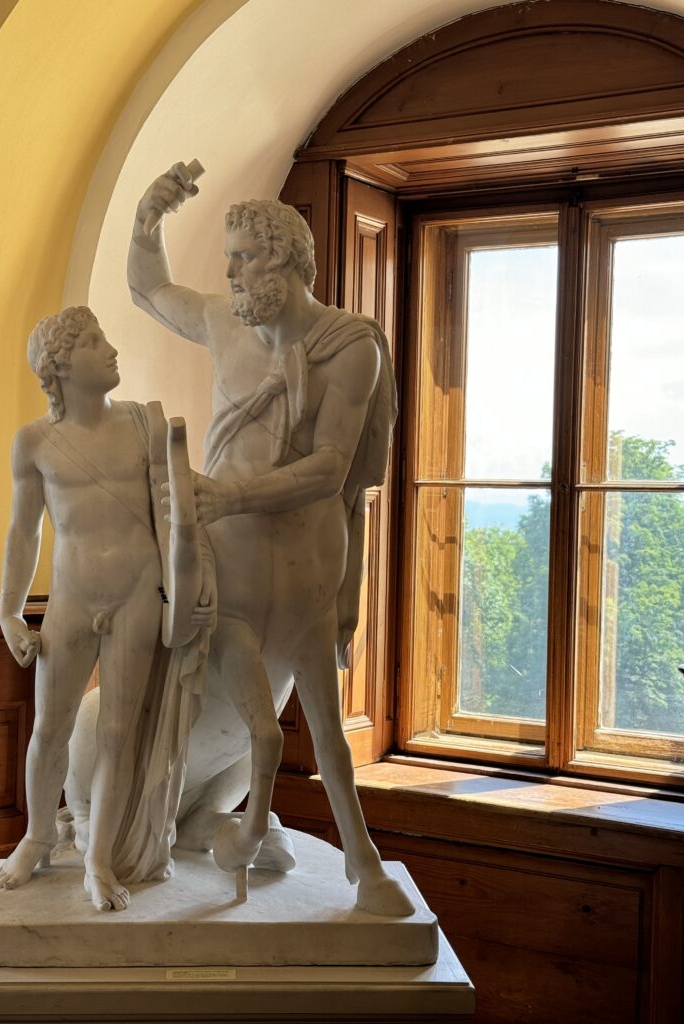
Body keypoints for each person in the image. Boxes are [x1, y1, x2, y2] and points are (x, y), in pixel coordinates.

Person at [128, 164, 413, 915]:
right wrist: (144, 223)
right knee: (149, 613)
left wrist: (230, 493)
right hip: (225, 553)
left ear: (286, 258)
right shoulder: (225, 321)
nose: (230, 273)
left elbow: (330, 469)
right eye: (229, 260)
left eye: (244, 257)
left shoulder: (350, 345)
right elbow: (151, 291)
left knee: (327, 721)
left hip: (299, 551)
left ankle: (363, 863)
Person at [0, 307, 212, 911]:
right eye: (95, 342)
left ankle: (99, 859)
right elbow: (24, 533)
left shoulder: (144, 425)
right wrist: (10, 611)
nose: (111, 349)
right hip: (70, 598)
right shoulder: (34, 442)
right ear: (61, 363)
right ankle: (39, 836)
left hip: (137, 596)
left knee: (119, 733)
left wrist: (178, 601)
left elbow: (176, 523)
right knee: (49, 730)